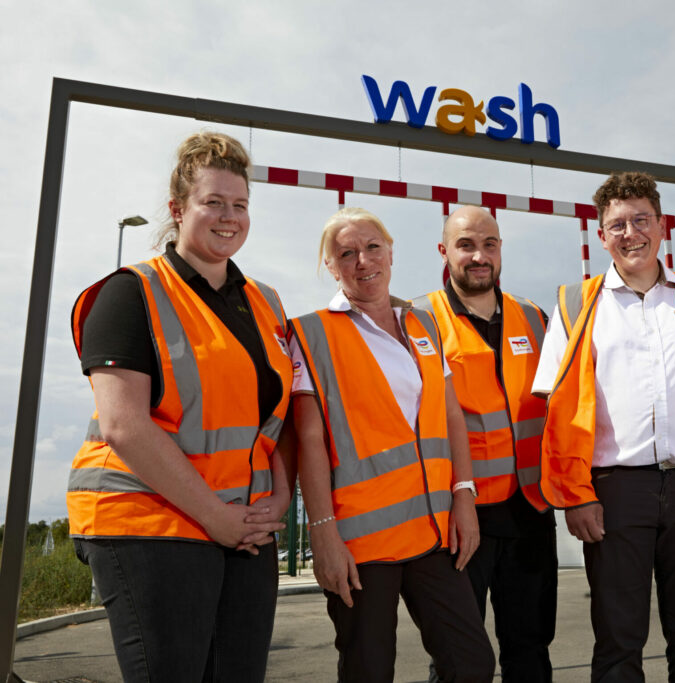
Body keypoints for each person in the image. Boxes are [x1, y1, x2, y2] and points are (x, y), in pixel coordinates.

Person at [67, 131, 295, 682]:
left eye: (240, 205)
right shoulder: (130, 292)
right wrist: (216, 517)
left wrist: (280, 495)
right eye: (213, 202)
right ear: (177, 209)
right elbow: (124, 425)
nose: (229, 216)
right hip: (151, 520)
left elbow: (274, 419)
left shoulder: (266, 303)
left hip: (241, 527)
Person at [532, 172, 675, 682]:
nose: (631, 233)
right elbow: (559, 414)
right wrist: (576, 496)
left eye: (640, 220)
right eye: (617, 225)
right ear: (600, 234)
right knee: (617, 639)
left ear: (661, 224)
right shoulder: (573, 305)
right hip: (614, 492)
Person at [289, 207, 496, 683]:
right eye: (346, 253)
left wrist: (464, 496)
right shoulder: (311, 333)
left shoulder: (422, 324)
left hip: (434, 534)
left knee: (471, 664)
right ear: (331, 267)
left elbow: (449, 415)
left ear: (391, 252)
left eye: (372, 247)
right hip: (362, 546)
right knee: (369, 670)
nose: (363, 261)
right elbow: (309, 440)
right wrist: (323, 535)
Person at [413, 205, 557, 682]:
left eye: (489, 245)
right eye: (466, 245)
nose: (479, 256)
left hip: (529, 512)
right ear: (444, 251)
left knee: (530, 650)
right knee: (459, 658)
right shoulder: (418, 321)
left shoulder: (535, 318)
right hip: (460, 518)